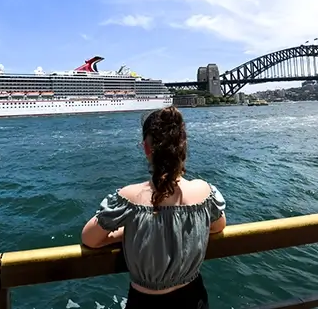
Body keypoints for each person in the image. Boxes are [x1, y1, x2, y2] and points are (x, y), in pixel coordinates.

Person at [81, 106, 226, 308]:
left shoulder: (129, 197)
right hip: (195, 298)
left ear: (146, 148)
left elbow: (90, 239)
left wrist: (129, 232)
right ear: (183, 146)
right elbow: (218, 227)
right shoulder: (205, 192)